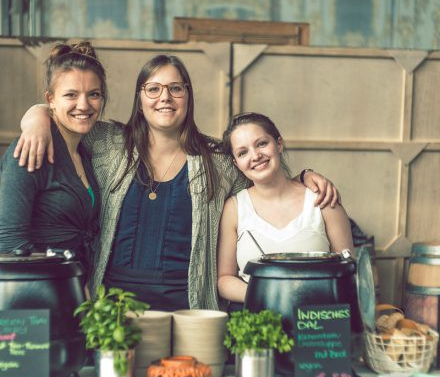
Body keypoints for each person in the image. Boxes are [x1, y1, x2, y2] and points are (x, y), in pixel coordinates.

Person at [14, 55, 340, 312]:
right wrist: (36, 121)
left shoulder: (219, 161)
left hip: (191, 308)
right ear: (140, 98)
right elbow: (67, 112)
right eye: (153, 88)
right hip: (116, 308)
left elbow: (263, 175)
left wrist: (303, 177)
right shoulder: (110, 144)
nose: (164, 98)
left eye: (176, 88)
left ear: (188, 95)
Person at [217, 112, 354, 303]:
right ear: (236, 163)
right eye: (242, 152)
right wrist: (270, 297)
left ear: (279, 144)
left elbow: (350, 275)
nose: (255, 156)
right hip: (259, 320)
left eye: (262, 143)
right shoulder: (234, 208)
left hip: (315, 320)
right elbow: (224, 279)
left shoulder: (323, 201)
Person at [0, 42, 106, 280]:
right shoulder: (30, 148)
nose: (84, 105)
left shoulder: (86, 152)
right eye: (71, 94)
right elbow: (7, 241)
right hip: (37, 295)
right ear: (51, 99)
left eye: (94, 94)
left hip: (76, 290)